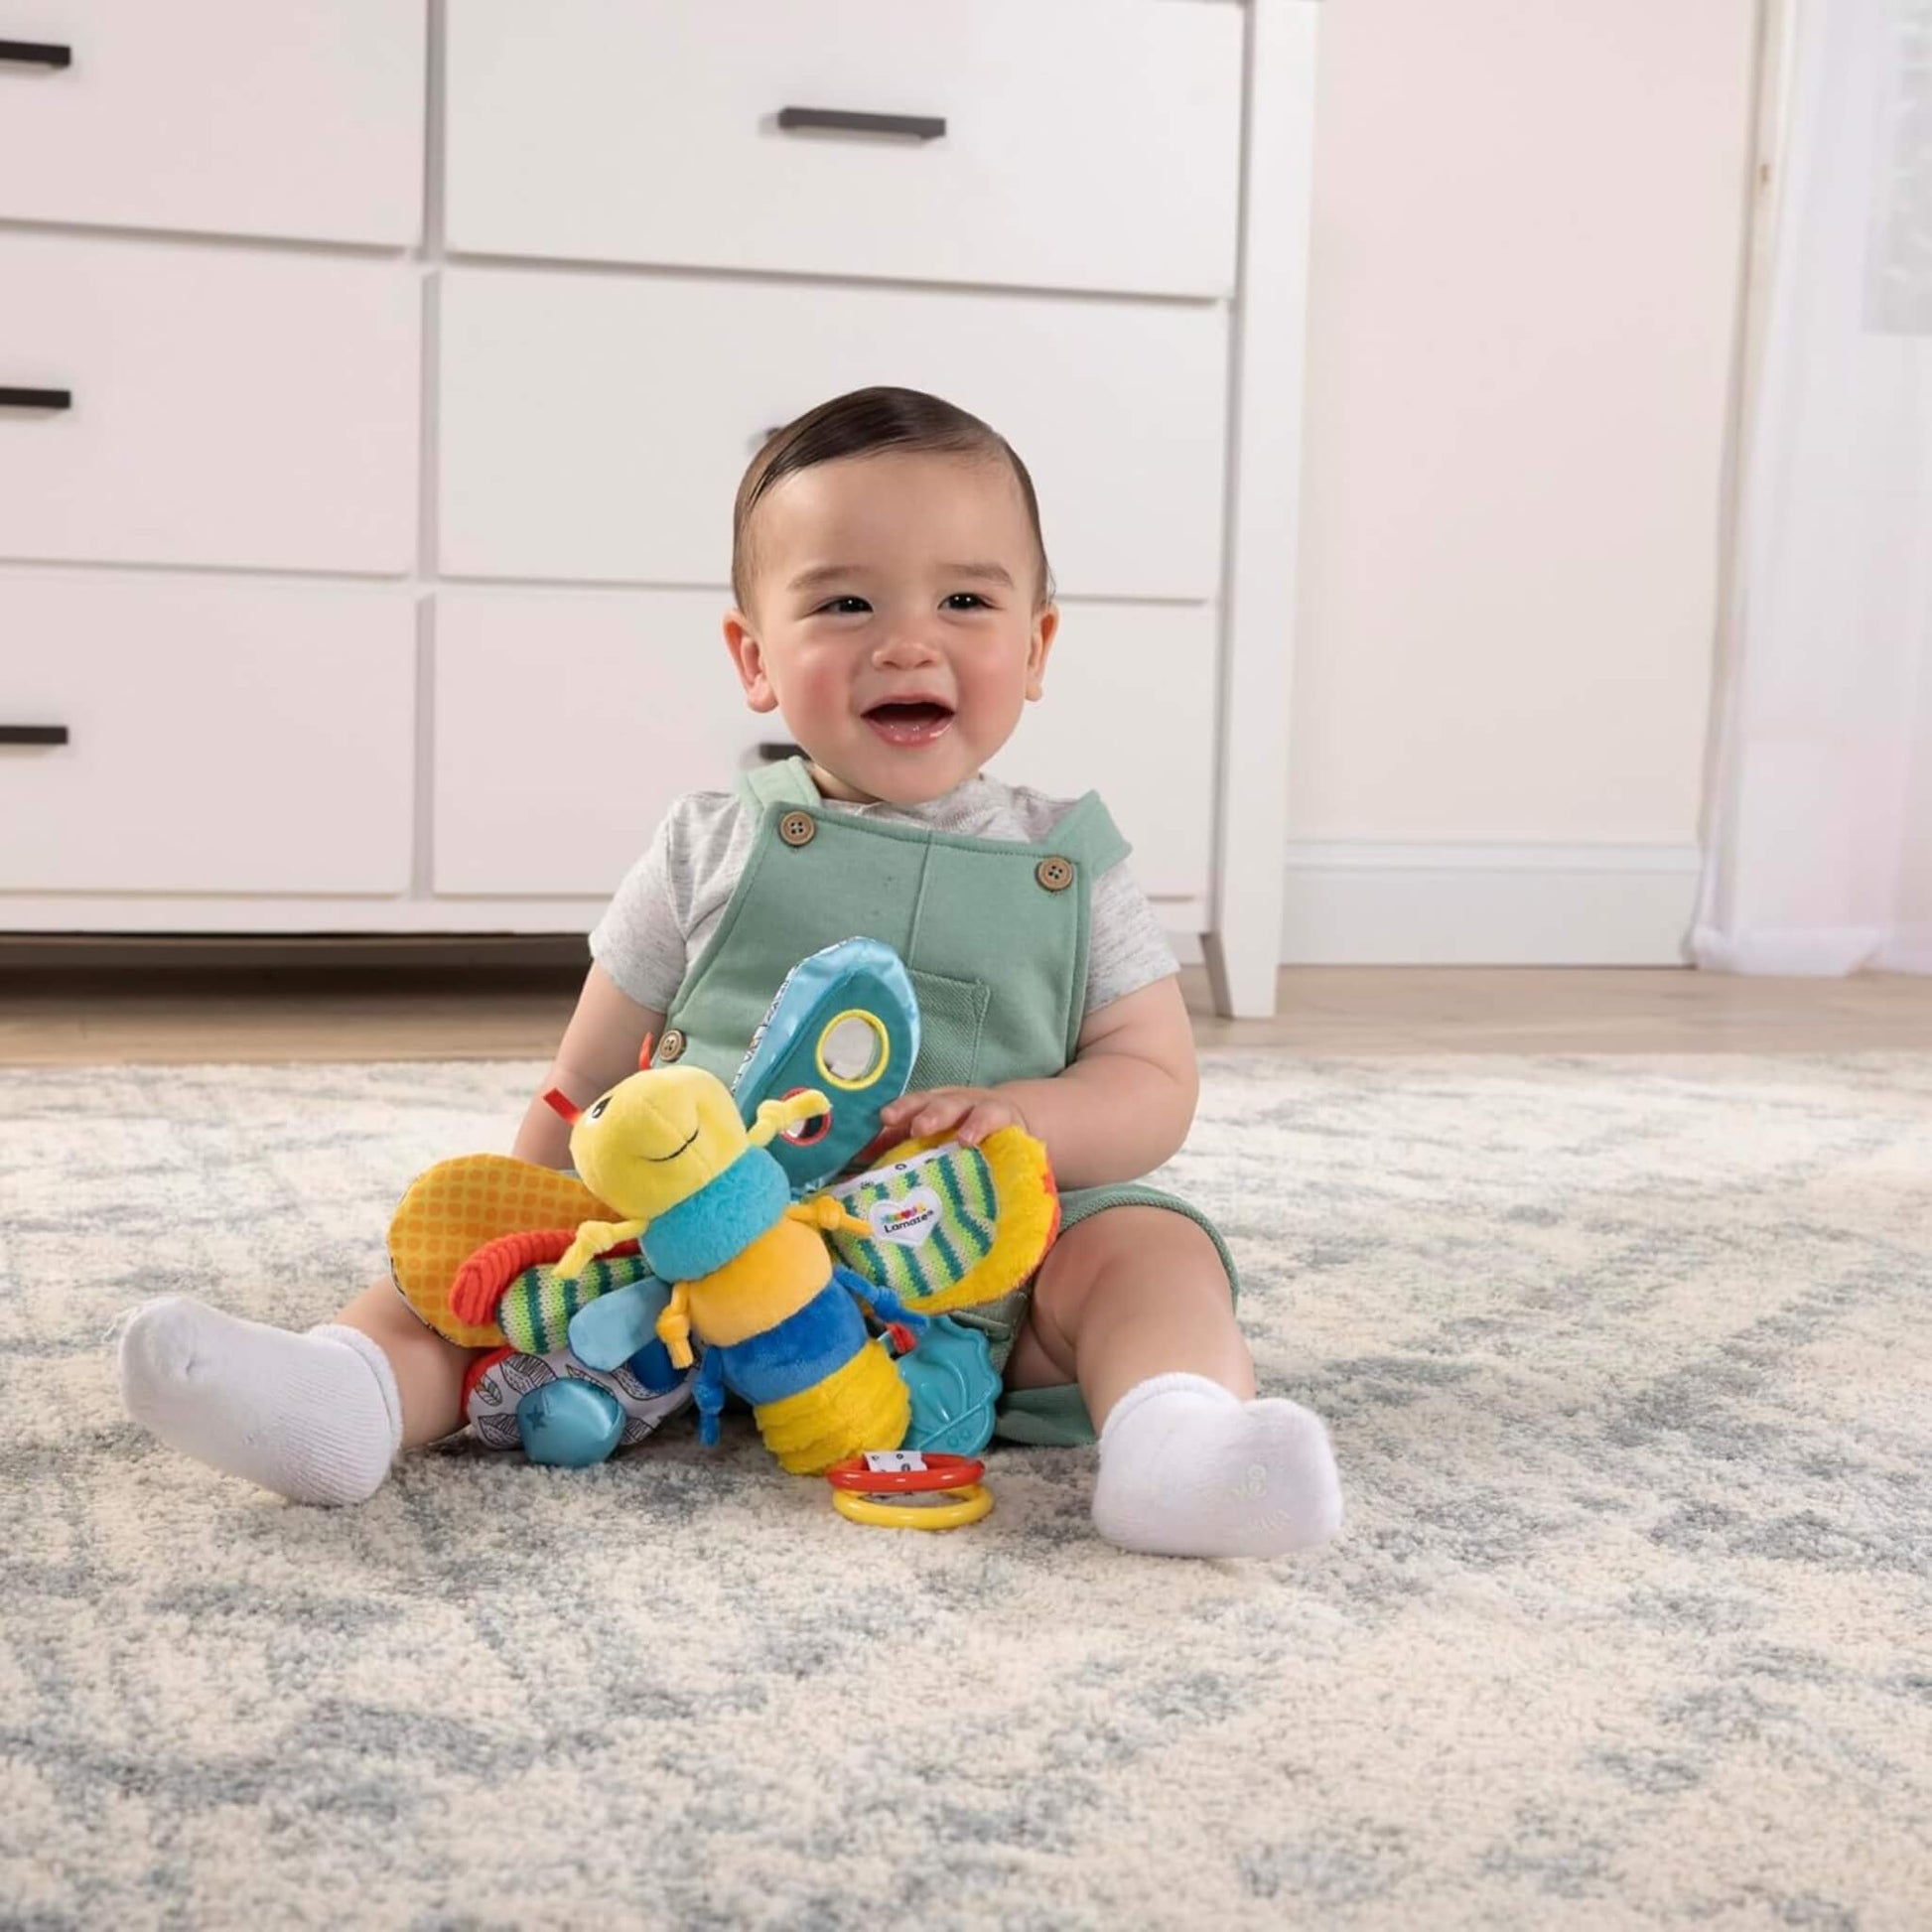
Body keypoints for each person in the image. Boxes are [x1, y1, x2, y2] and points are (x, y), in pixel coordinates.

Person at [117, 386, 1343, 1559]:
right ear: (754, 656)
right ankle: (345, 1393)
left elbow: (1152, 1081)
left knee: (1149, 1253)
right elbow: (587, 1073)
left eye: (966, 597)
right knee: (477, 1254)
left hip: (979, 1272)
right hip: (688, 1262)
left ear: (1036, 645)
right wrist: (525, 1239)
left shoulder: (1072, 859)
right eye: (846, 605)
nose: (908, 640)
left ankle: (1177, 1445)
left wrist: (1024, 1115)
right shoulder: (712, 841)